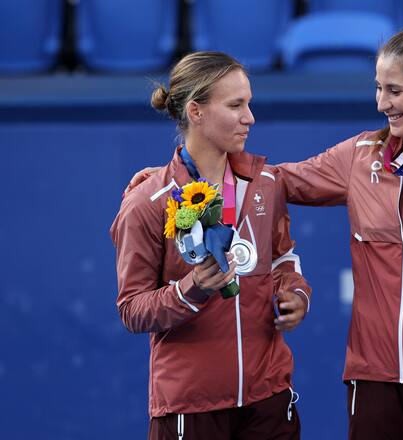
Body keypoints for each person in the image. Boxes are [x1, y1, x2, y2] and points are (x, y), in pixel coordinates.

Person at [127, 27, 403, 439]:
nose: (381, 103)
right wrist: (169, 183)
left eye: (393, 90)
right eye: (378, 88)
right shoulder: (360, 157)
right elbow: (273, 181)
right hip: (376, 377)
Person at [110, 51, 311, 440]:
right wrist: (192, 289)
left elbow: (284, 259)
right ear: (196, 112)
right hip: (191, 408)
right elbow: (132, 309)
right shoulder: (147, 202)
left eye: (248, 104)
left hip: (268, 399)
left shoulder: (266, 184)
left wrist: (295, 293)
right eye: (236, 105)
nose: (249, 117)